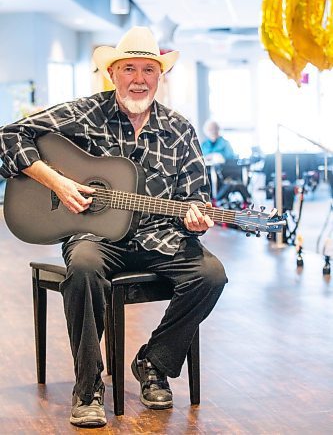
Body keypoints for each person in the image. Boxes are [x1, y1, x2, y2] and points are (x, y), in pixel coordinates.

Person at [0, 26, 228, 428]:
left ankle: (153, 363)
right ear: (112, 73)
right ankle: (88, 387)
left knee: (210, 275)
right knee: (84, 266)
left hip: (161, 236)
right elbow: (9, 137)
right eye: (129, 69)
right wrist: (58, 182)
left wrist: (197, 218)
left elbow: (195, 198)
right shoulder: (86, 112)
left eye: (148, 70)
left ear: (160, 77)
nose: (138, 79)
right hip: (95, 236)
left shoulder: (180, 130)